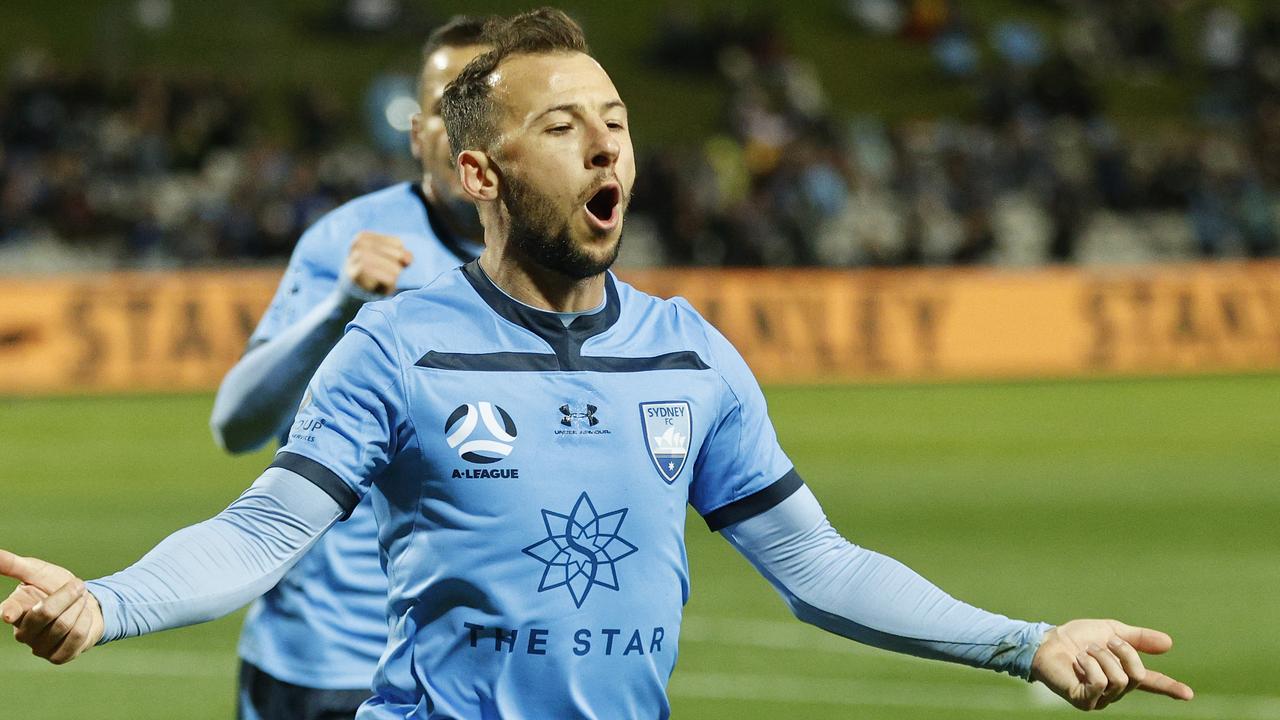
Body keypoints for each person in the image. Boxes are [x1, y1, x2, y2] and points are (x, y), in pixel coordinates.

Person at [0, 8, 1193, 719]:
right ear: (482, 175)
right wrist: (108, 602)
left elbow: (815, 565)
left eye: (615, 120)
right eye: (563, 128)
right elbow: (259, 533)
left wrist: (1021, 639)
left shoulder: (690, 355)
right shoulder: (400, 343)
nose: (605, 143)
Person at [206, 15, 489, 720]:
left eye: (487, 107)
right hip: (328, 664)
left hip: (472, 666)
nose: (468, 130)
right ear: (418, 131)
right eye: (448, 110)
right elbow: (234, 424)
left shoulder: (553, 269)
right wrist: (340, 308)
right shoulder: (347, 242)